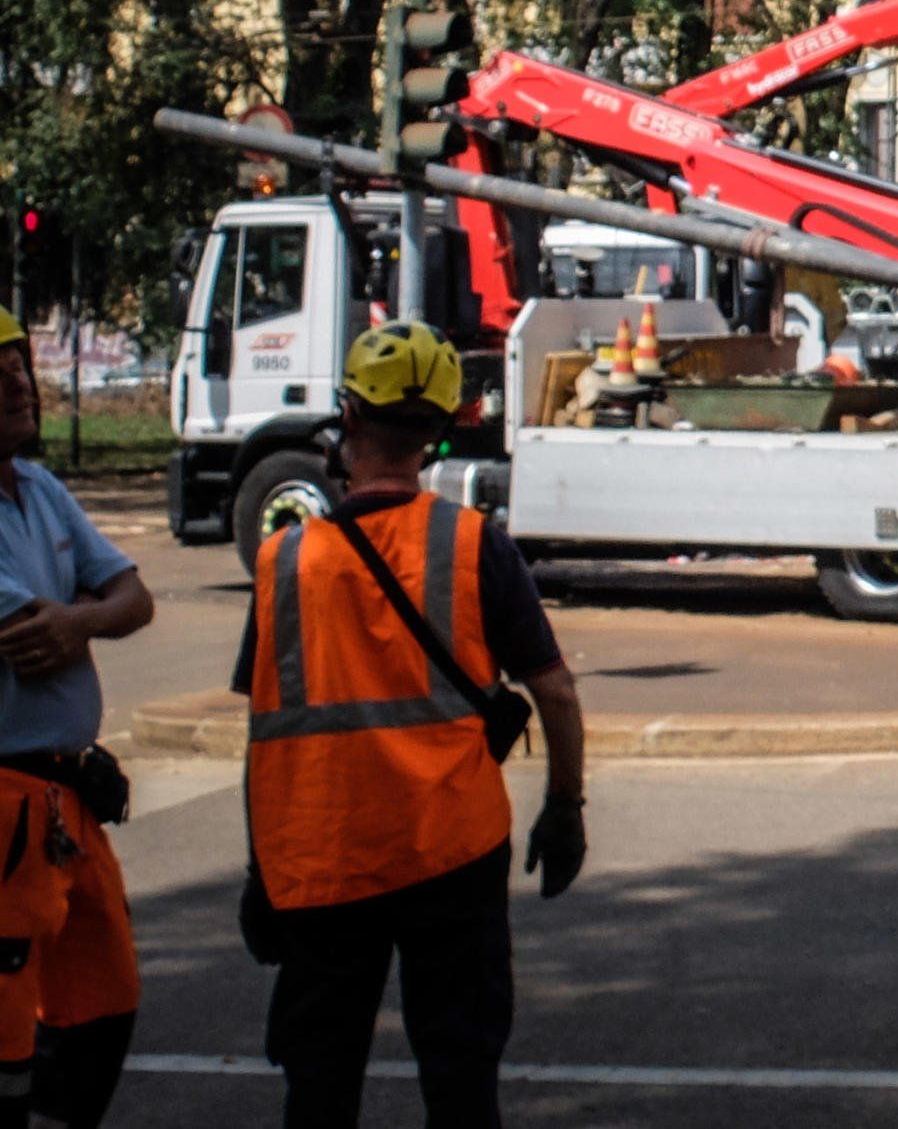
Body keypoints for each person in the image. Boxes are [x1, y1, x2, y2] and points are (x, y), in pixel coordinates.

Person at [234, 321, 586, 1128]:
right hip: (450, 854)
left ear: (349, 416)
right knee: (461, 1085)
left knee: (319, 1091)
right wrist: (564, 808)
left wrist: (262, 873)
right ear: (440, 429)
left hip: (321, 854)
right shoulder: (473, 544)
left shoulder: (285, 560)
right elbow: (557, 693)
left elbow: (266, 732)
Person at [0, 308, 151, 1129]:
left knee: (102, 1007)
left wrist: (82, 618)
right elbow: (33, 638)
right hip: (7, 805)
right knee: (6, 1039)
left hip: (68, 799)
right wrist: (90, 613)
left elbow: (135, 599)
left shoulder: (41, 489)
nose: (18, 387)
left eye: (18, 368)